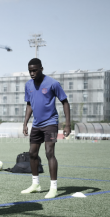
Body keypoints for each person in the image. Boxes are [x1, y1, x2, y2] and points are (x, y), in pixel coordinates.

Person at [21, 58, 71, 199]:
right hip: (36, 124)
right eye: (30, 70)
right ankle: (35, 184)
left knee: (49, 152)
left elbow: (65, 102)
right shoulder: (28, 85)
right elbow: (29, 104)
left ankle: (53, 188)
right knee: (32, 153)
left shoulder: (53, 83)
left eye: (34, 70)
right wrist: (25, 122)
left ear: (41, 69)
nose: (32, 73)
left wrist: (67, 124)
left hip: (51, 123)